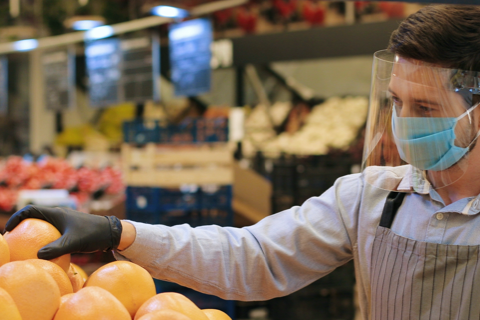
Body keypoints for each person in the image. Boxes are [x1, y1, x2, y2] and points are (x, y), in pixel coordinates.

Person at [5, 5, 480, 320]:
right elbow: (253, 255)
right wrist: (119, 232)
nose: (404, 121)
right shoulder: (375, 195)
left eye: (426, 109)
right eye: (396, 102)